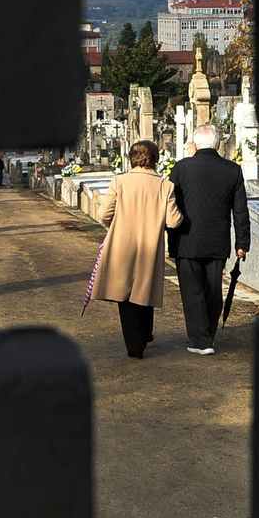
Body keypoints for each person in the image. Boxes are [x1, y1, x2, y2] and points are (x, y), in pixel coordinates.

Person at [92, 140, 183, 359]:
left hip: (122, 243)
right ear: (155, 159)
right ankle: (145, 334)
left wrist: (117, 225)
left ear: (131, 158)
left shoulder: (119, 181)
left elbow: (103, 214)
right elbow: (173, 221)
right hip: (149, 245)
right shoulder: (165, 186)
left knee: (124, 293)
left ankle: (134, 344)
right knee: (145, 288)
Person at [166, 124, 249, 355]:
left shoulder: (181, 168)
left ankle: (201, 341)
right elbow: (240, 210)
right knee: (213, 288)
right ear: (218, 144)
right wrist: (242, 243)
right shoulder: (232, 170)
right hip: (217, 239)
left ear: (194, 145)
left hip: (186, 238)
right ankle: (208, 335)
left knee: (192, 290)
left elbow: (169, 204)